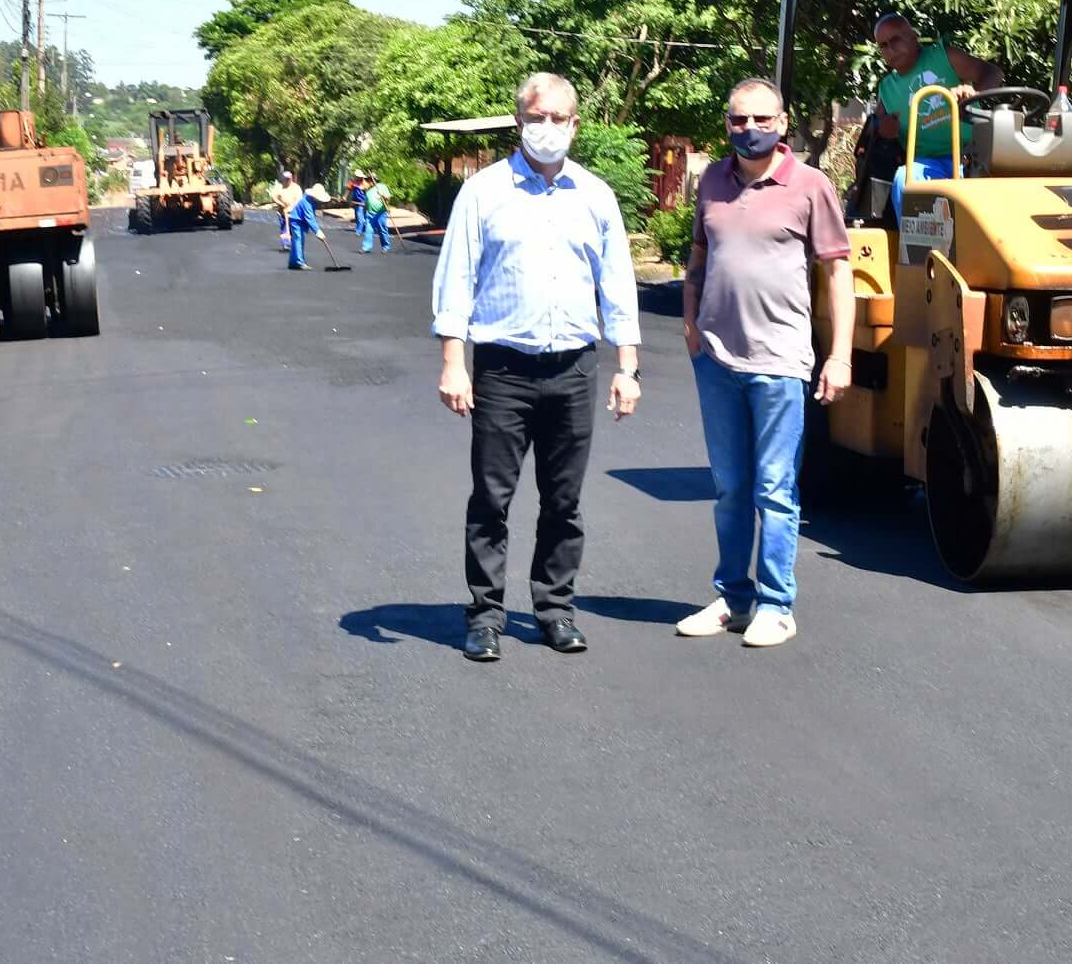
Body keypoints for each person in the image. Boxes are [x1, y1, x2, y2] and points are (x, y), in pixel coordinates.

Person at [431, 71, 641, 663]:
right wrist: (453, 363)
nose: (546, 127)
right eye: (535, 117)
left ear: (575, 124)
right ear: (518, 121)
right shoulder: (483, 192)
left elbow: (618, 286)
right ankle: (485, 616)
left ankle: (554, 611)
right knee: (491, 499)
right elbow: (456, 279)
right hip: (503, 371)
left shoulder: (595, 196)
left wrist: (628, 368)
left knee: (564, 501)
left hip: (574, 370)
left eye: (557, 118)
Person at [675, 78, 855, 649]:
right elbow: (699, 253)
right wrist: (690, 321)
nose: (749, 129)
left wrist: (840, 356)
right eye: (738, 120)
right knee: (730, 488)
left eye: (761, 119)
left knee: (775, 490)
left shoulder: (810, 185)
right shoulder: (712, 180)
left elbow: (838, 271)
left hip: (779, 361)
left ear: (782, 123)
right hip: (716, 360)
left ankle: (777, 606)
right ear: (727, 123)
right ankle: (732, 598)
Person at [864, 13, 1004, 221]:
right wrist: (881, 128)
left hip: (972, 157)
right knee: (904, 179)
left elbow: (993, 72)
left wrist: (974, 93)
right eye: (883, 45)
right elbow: (873, 130)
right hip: (927, 164)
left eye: (895, 40)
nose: (890, 49)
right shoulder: (887, 88)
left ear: (913, 36)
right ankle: (915, 242)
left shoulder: (945, 57)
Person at [286, 182, 328, 270]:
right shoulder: (307, 202)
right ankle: (299, 262)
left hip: (299, 221)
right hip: (296, 221)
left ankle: (293, 263)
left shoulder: (311, 200)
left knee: (298, 241)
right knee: (298, 239)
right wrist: (317, 231)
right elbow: (310, 218)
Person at [357, 173, 392, 254]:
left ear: (374, 180)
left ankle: (385, 246)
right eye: (368, 180)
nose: (369, 181)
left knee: (382, 229)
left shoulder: (382, 186)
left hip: (381, 213)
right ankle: (366, 247)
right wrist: (365, 212)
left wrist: (382, 195)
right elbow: (366, 203)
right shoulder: (368, 191)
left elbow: (388, 197)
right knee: (368, 230)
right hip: (370, 213)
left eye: (370, 180)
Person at [272, 171, 302, 251]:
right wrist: (281, 203)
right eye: (285, 178)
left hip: (294, 211)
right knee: (284, 226)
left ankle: (292, 242)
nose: (287, 180)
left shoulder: (296, 188)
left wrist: (293, 207)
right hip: (282, 211)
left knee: (293, 227)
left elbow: (299, 198)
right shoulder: (279, 188)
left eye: (288, 178)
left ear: (291, 178)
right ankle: (286, 244)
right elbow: (274, 197)